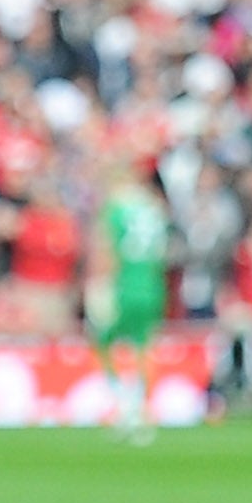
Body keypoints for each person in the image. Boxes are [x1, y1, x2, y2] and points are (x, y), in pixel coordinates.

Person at [90, 163, 171, 441]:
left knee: (104, 342)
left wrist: (101, 286)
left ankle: (123, 404)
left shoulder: (115, 209)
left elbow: (107, 250)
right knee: (144, 346)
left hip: (123, 284)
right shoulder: (153, 208)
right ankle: (142, 410)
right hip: (152, 284)